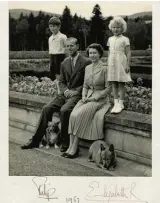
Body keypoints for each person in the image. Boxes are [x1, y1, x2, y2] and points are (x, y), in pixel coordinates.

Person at [21, 37, 92, 152]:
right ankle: (35, 140)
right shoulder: (64, 63)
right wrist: (65, 91)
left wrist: (76, 91)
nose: (69, 48)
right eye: (67, 46)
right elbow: (61, 81)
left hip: (77, 94)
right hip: (65, 93)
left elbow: (87, 81)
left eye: (72, 45)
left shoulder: (86, 62)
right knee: (46, 108)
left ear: (78, 46)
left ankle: (65, 142)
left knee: (64, 110)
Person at [61, 43, 111, 159]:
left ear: (100, 54)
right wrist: (84, 95)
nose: (92, 55)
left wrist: (95, 98)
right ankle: (70, 147)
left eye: (95, 53)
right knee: (72, 115)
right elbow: (85, 85)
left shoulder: (105, 68)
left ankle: (74, 148)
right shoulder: (87, 68)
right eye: (90, 53)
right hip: (87, 97)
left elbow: (109, 88)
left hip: (99, 100)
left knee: (78, 115)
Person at [107, 16, 132, 114]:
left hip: (121, 62)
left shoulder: (125, 39)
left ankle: (121, 103)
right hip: (112, 62)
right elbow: (109, 52)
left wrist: (127, 65)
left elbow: (128, 53)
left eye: (117, 27)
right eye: (113, 27)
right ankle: (115, 103)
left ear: (122, 28)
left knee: (121, 83)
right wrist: (108, 63)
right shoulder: (110, 39)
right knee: (113, 83)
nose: (115, 29)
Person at [48, 17, 67, 81]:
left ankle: (61, 85)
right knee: (52, 74)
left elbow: (66, 48)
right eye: (50, 26)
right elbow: (50, 50)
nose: (52, 28)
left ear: (59, 27)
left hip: (60, 57)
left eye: (54, 26)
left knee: (59, 73)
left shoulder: (63, 37)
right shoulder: (50, 38)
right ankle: (53, 86)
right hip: (52, 57)